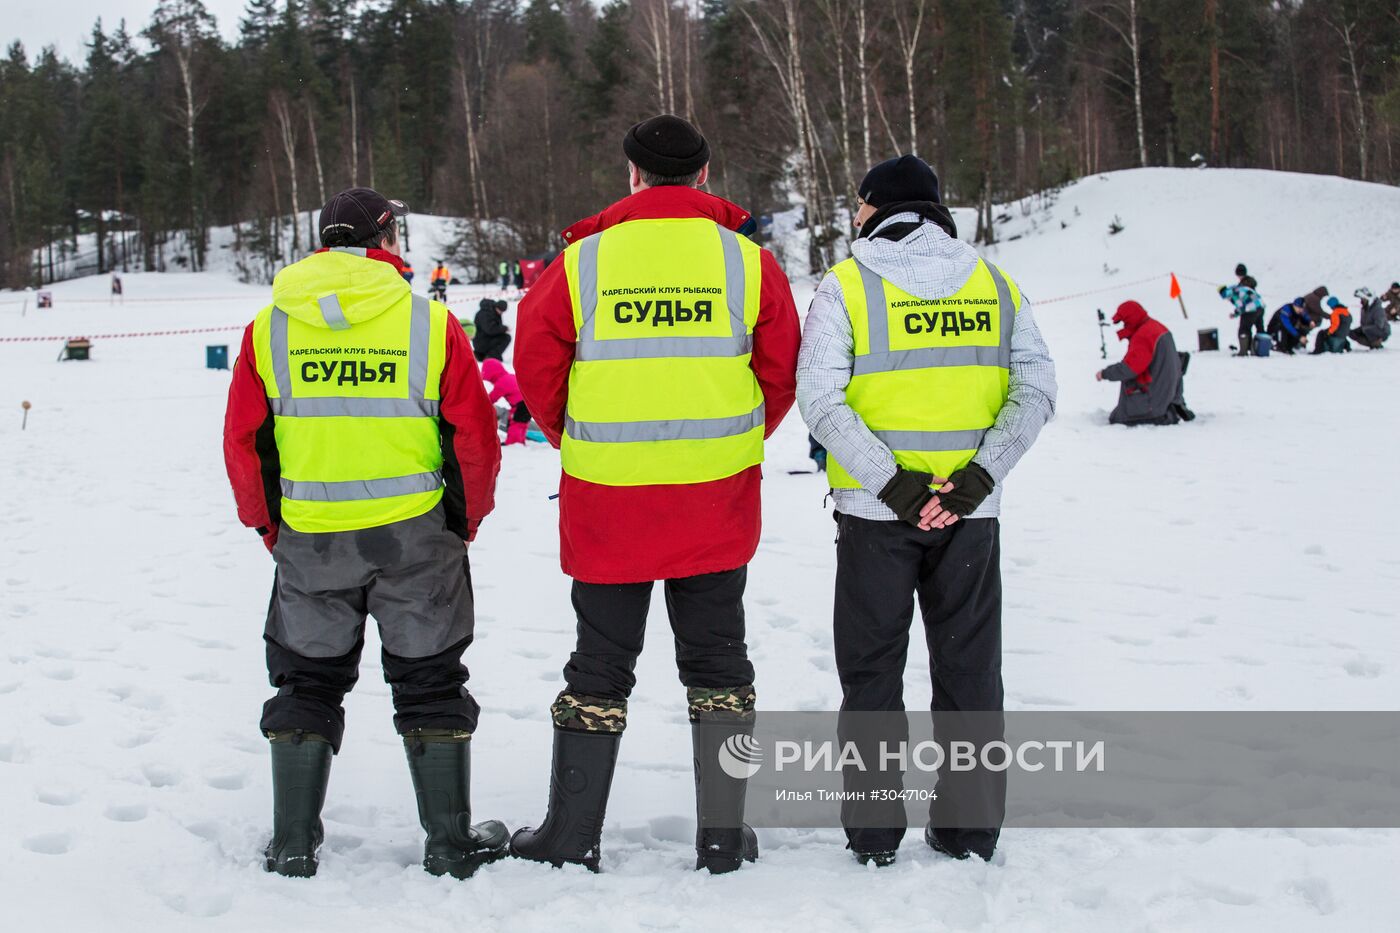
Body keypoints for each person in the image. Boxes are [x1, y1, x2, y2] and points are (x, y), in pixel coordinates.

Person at [512, 114, 800, 874]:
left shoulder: (583, 263)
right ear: (705, 177)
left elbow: (536, 361)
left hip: (610, 500)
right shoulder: (747, 262)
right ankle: (724, 836)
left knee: (599, 663)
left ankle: (570, 836)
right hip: (715, 498)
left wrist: (577, 434)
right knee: (719, 661)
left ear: (631, 174)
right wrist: (735, 440)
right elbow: (781, 369)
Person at [222, 187, 508, 880]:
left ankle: (293, 841)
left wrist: (270, 525)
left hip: (312, 534)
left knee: (306, 680)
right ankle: (448, 841)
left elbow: (244, 439)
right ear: (386, 239)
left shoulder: (270, 327)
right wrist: (463, 521)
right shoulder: (429, 326)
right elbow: (472, 436)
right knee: (431, 678)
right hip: (415, 537)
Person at [797, 154, 1056, 866]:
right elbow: (1036, 388)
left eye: (858, 203)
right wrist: (976, 477)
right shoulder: (995, 283)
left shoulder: (845, 285)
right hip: (971, 515)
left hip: (875, 515)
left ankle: (876, 832)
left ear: (879, 207)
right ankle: (969, 829)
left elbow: (821, 398)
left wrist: (895, 485)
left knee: (873, 672)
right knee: (971, 669)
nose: (853, 215)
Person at [1097, 301, 1192, 424]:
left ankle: (1160, 415)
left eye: (1125, 322)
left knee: (1117, 418)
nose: (1124, 326)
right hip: (1169, 395)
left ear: (1130, 319)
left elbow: (1129, 369)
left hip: (1154, 402)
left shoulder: (1144, 335)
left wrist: (1105, 373)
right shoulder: (1156, 327)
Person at [480, 358, 531, 445]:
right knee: (522, 423)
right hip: (529, 403)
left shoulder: (502, 382)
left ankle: (513, 442)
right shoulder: (510, 376)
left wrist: (481, 404)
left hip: (520, 405)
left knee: (516, 423)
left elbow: (492, 398)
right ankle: (521, 441)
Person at [1218, 280, 1266, 355]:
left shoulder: (1231, 293)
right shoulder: (1240, 288)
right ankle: (1261, 350)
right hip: (1261, 307)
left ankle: (1243, 351)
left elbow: (1241, 307)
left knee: (1243, 329)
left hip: (1251, 309)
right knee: (1260, 328)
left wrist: (1235, 314)